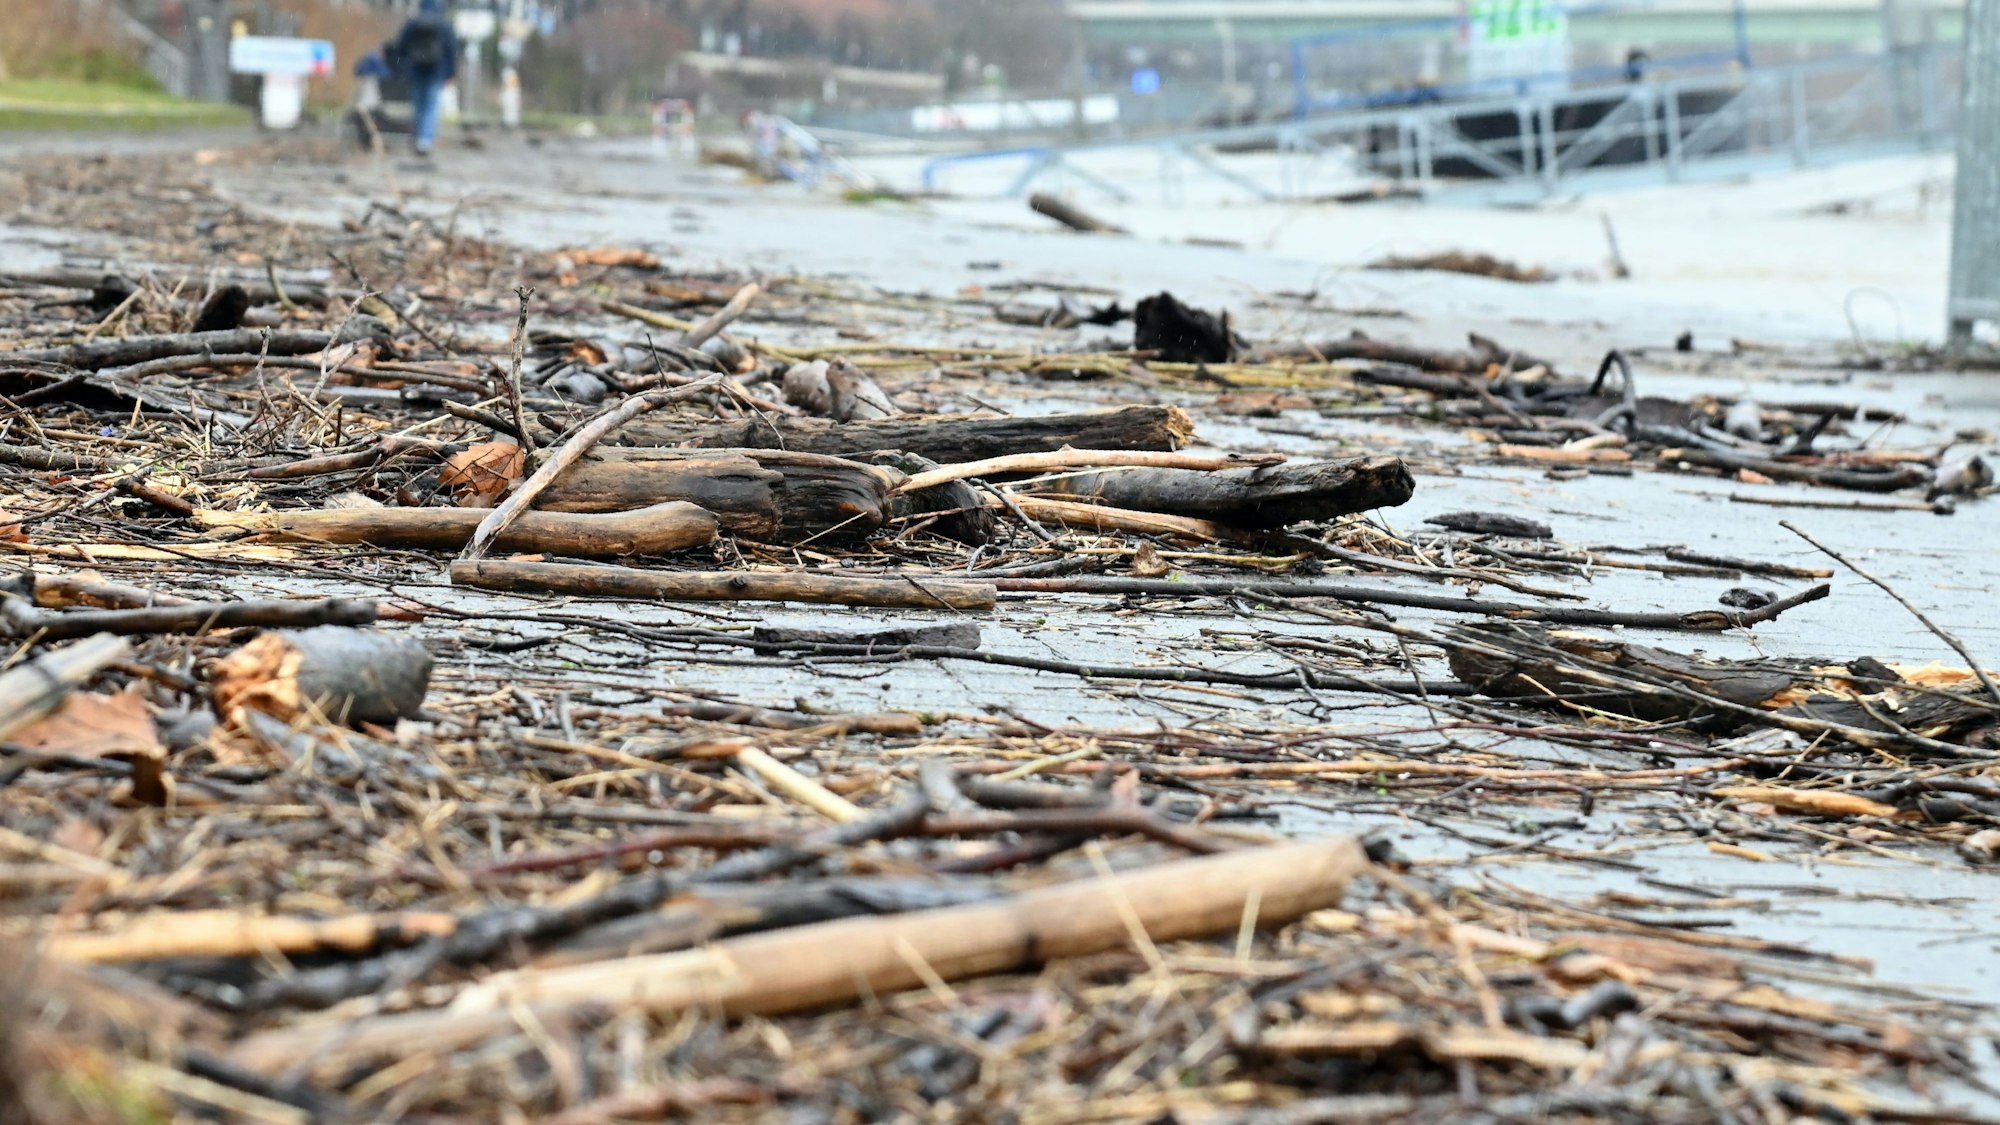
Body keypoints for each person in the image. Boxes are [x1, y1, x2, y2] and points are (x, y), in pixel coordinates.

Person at [392, 0, 459, 157]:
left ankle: (418, 135)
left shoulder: (412, 24)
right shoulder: (443, 25)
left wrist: (402, 68)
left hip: (416, 70)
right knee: (431, 106)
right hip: (436, 71)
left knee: (418, 105)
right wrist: (450, 73)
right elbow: (451, 50)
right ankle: (425, 140)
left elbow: (400, 48)